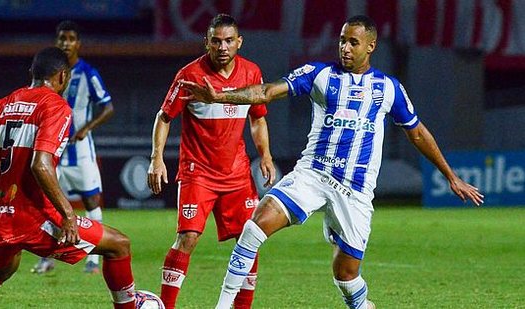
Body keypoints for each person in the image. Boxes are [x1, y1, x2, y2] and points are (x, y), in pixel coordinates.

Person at [180, 15, 485, 309]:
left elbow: (417, 132)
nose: (345, 48)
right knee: (254, 227)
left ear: (371, 46)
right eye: (342, 41)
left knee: (345, 274)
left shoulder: (388, 88)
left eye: (353, 42)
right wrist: (222, 96)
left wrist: (451, 176)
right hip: (313, 173)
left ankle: (360, 304)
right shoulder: (319, 74)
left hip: (355, 190)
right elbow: (267, 91)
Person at [0, 47, 137, 308]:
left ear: (32, 73)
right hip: (31, 217)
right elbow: (41, 165)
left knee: (1, 272)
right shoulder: (55, 106)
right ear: (63, 76)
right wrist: (68, 216)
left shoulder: (3, 104)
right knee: (118, 244)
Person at [146, 13, 276, 309]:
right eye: (216, 41)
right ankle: (167, 305)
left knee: (249, 240)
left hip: (237, 173)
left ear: (239, 42)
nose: (222, 47)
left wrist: (265, 155)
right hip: (198, 172)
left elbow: (257, 119)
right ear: (207, 42)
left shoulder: (252, 73)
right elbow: (164, 118)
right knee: (188, 238)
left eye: (229, 40)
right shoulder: (189, 75)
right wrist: (157, 158)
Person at [32, 20, 114, 274]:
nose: (65, 43)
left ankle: (93, 259)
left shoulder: (88, 73)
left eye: (70, 39)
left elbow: (108, 107)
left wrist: (86, 128)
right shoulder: (49, 73)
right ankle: (47, 258)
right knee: (46, 200)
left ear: (78, 43)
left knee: (90, 200)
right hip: (51, 148)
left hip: (80, 149)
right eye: (61, 39)